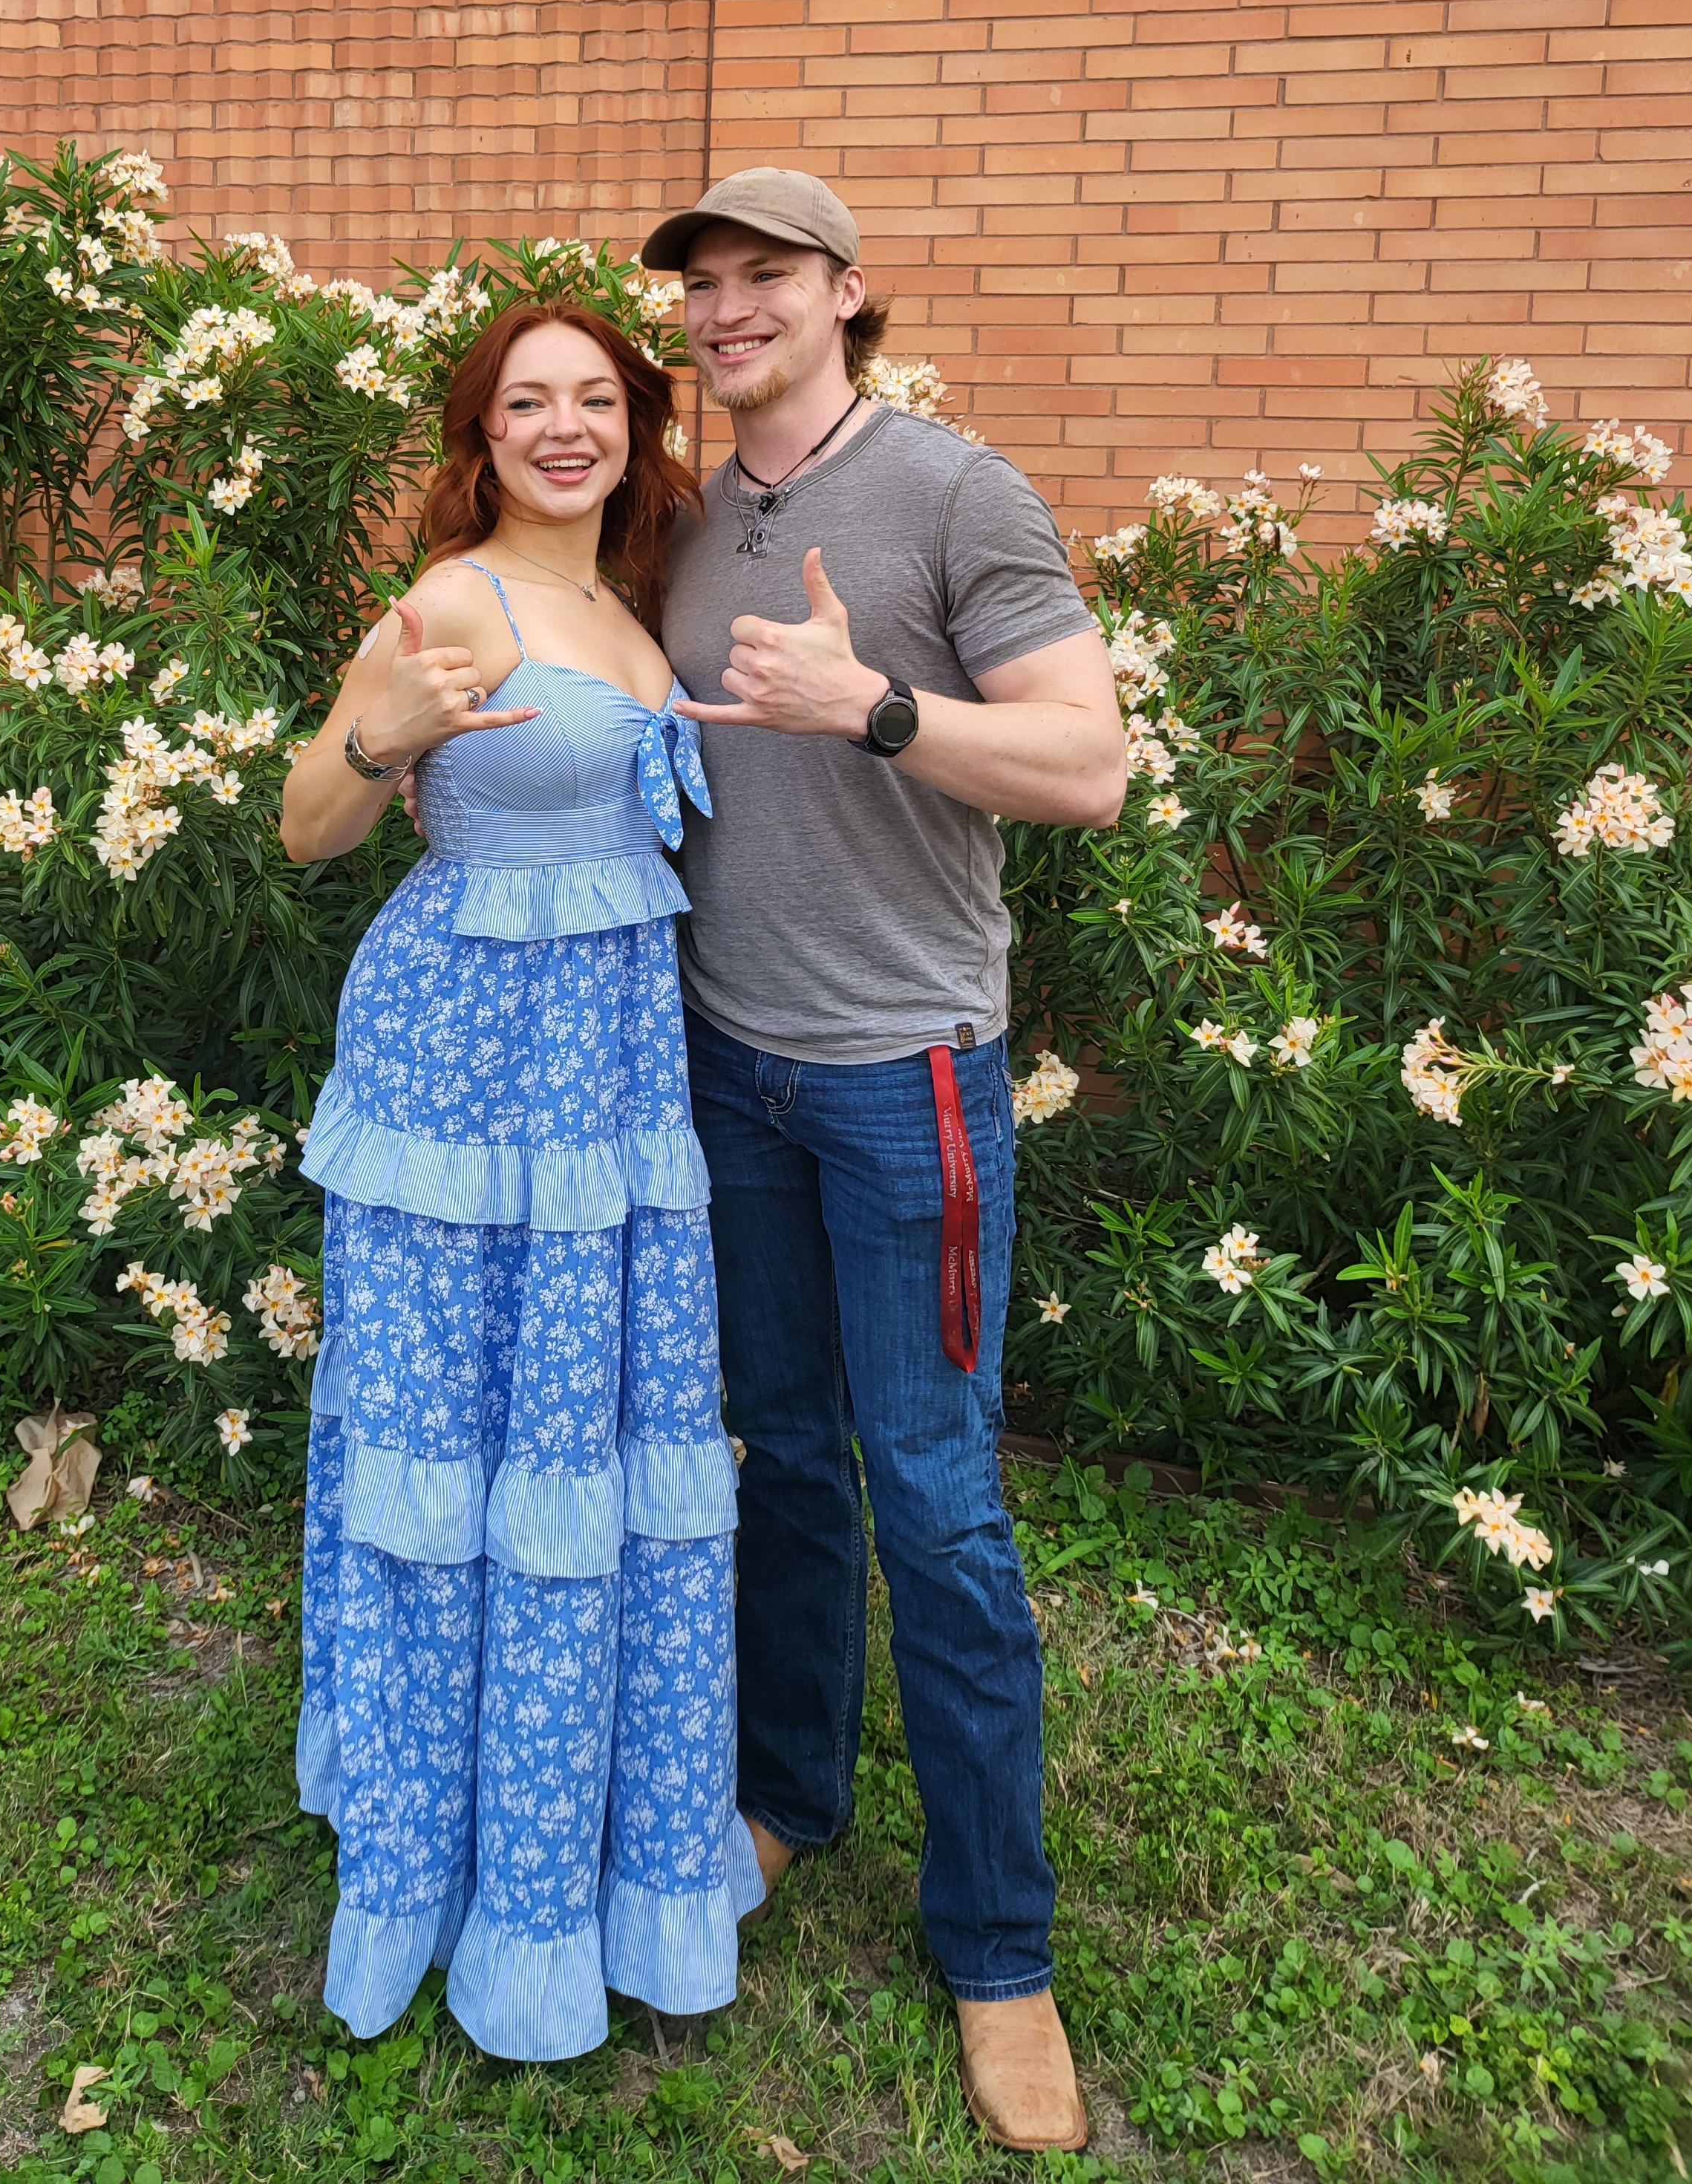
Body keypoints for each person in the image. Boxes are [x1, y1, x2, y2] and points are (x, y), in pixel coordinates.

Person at [641, 167, 1128, 2159]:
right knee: (782, 1454)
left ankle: (999, 1948)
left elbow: (1089, 764)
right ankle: (787, 1796)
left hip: (901, 1081)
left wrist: (881, 708)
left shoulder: (953, 492)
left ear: (847, 293)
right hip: (728, 1071)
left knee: (934, 1500)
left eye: (767, 274)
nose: (727, 308)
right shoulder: (691, 522)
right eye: (702, 283)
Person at [280, 301, 762, 2062]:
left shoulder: (633, 607)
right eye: (526, 402)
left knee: (585, 1441)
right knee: (456, 1441)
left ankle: (580, 1833)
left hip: (608, 1081)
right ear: (480, 435)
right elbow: (305, 828)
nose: (566, 427)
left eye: (597, 400)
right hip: (462, 1080)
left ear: (637, 425)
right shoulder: (452, 602)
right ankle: (437, 1853)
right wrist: (377, 736)